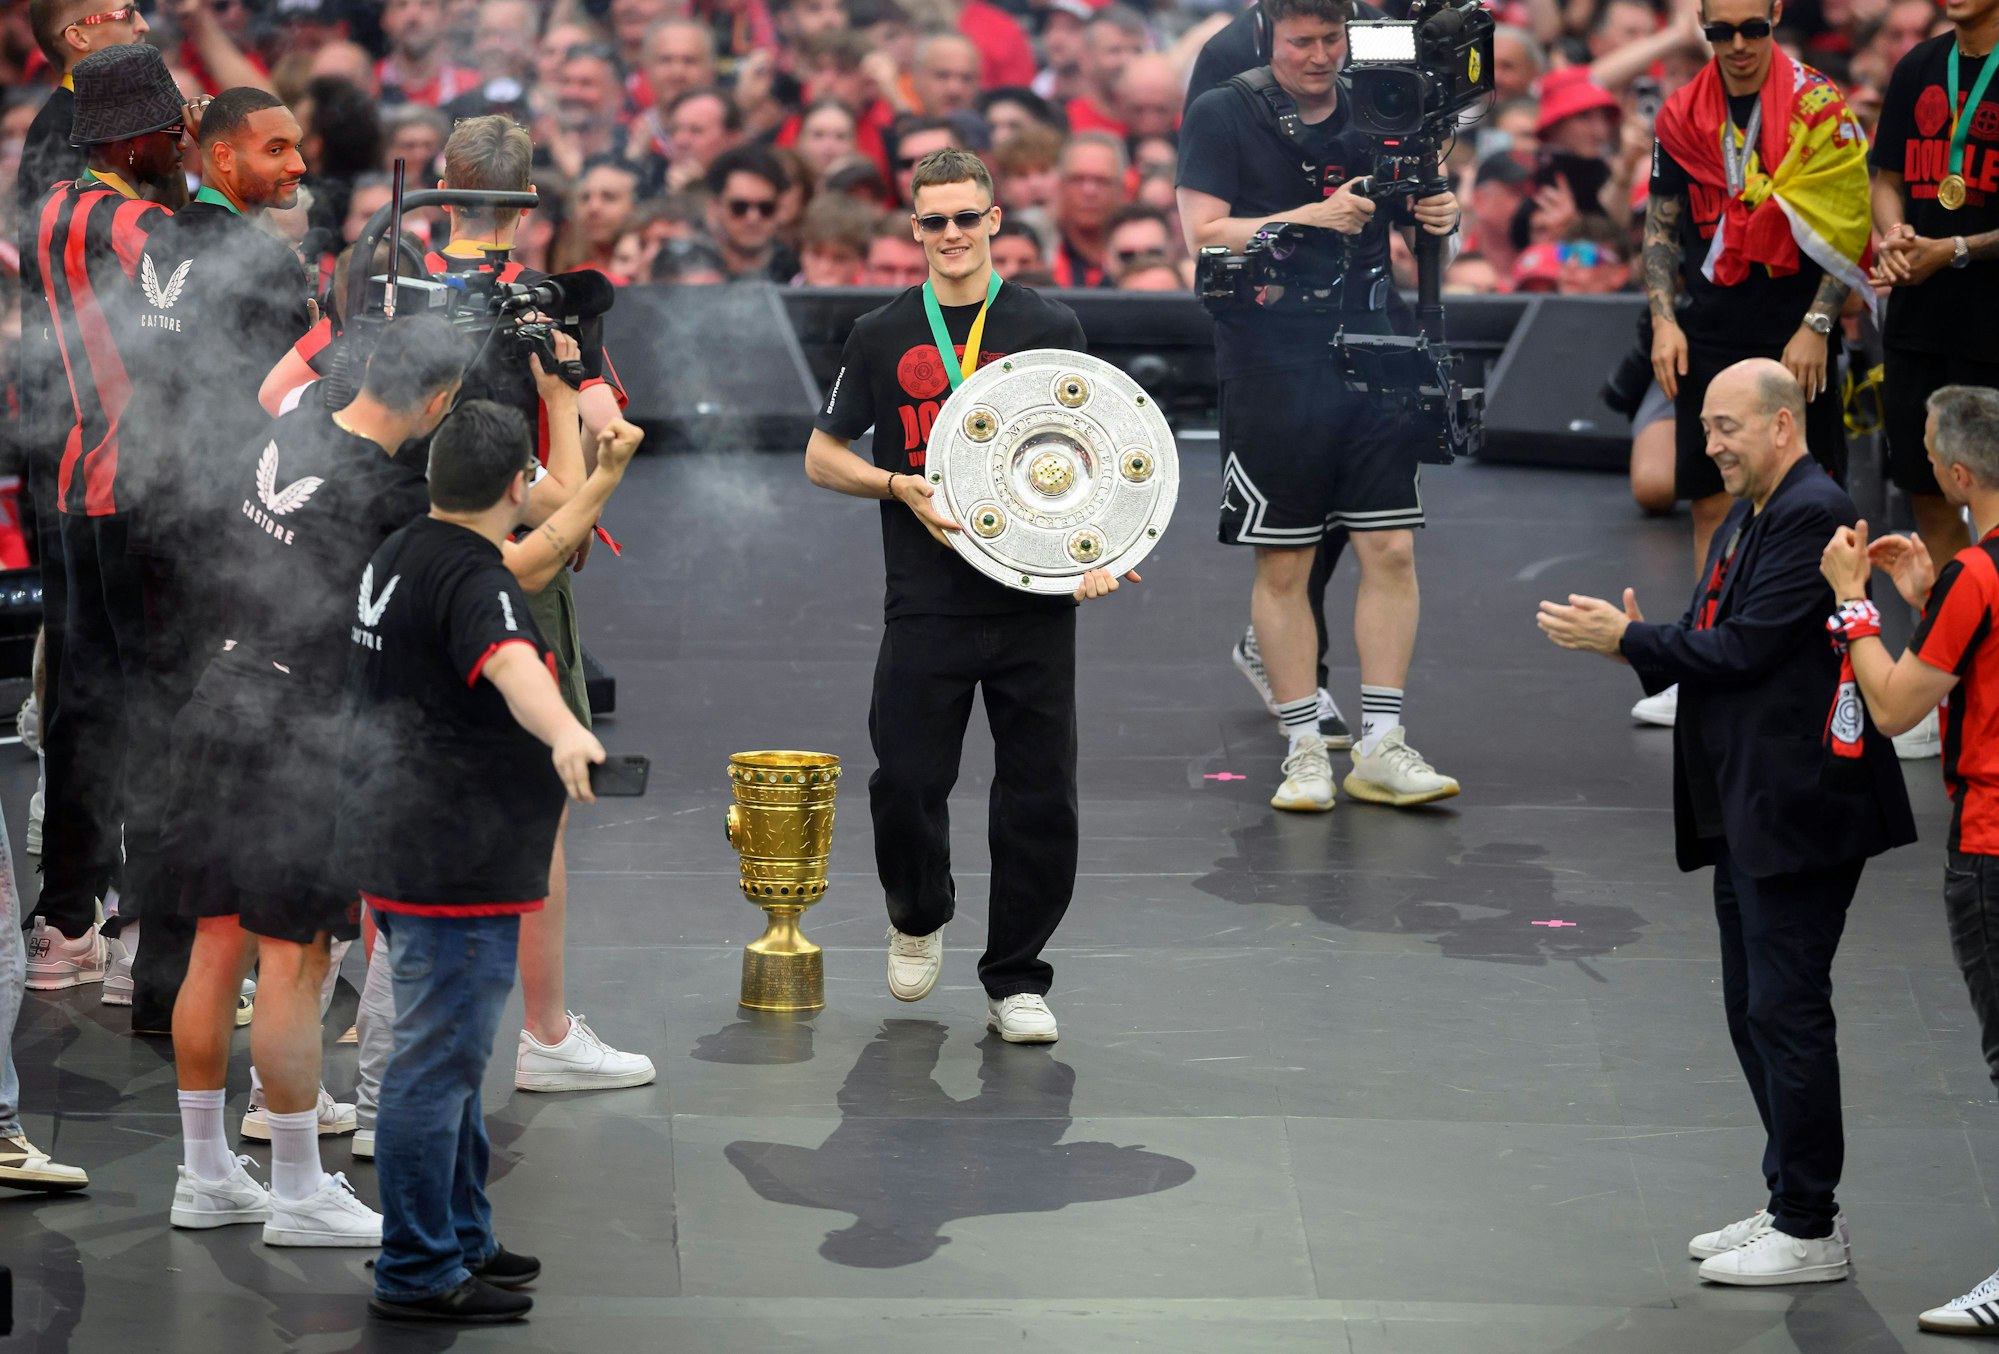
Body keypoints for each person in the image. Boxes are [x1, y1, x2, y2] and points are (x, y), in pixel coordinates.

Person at [1538, 358, 1915, 1286]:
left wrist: (1628, 641)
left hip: (1801, 807)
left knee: (1784, 1011)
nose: (1707, 444)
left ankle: (1808, 1224)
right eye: (1703, 427)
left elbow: (1743, 649)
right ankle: (1789, 1198)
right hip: (1753, 803)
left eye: (1724, 426)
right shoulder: (1757, 511)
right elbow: (1724, 630)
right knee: (1753, 1008)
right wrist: (1648, 638)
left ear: (1781, 425)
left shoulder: (1810, 513)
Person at [349, 113, 652, 1118]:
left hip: (394, 552)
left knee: (390, 767)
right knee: (535, 790)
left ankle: (369, 1019)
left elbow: (286, 395)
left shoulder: (389, 292)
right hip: (517, 560)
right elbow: (605, 436)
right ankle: (548, 1032)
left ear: (440, 187)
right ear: (528, 207)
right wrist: (568, 396)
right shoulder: (549, 309)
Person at [805, 146, 1131, 1044]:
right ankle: (917, 912)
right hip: (926, 599)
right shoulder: (880, 332)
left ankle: (1017, 978)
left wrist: (1096, 552)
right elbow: (821, 454)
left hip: (1032, 602)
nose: (950, 233)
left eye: (965, 217)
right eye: (932, 220)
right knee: (905, 782)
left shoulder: (1049, 321)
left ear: (995, 222)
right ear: (913, 229)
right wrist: (894, 486)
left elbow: (1094, 452)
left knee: (1039, 798)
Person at [164, 316, 474, 1246]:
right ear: (438, 403)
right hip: (298, 735)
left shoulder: (292, 420)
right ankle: (298, 1189)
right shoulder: (394, 497)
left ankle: (204, 1174)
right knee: (292, 961)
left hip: (221, 701)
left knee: (215, 951)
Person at [334, 400, 614, 1324]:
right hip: (452, 857)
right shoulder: (475, 581)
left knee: (449, 1060)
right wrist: (569, 730)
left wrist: (603, 479)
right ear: (516, 485)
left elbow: (499, 607)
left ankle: (462, 1236)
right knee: (435, 1065)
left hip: (406, 839)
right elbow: (512, 663)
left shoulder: (404, 551)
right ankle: (417, 1269)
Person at [1177, 0, 1461, 814]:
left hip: (1377, 346)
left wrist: (1439, 211)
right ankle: (1303, 744)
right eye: (1301, 41)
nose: (1318, 56)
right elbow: (1201, 230)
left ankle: (1380, 740)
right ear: (1270, 38)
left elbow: (1425, 212)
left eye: (1332, 39)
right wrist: (1303, 217)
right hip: (1269, 355)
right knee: (1284, 560)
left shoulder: (1385, 102)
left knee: (1390, 551)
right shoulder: (1223, 109)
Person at [112, 85, 311, 1038]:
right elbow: (297, 409)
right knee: (221, 756)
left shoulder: (155, 245)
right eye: (277, 149)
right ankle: (205, 971)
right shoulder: (260, 265)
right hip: (227, 538)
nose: (297, 165)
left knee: (154, 739)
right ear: (223, 159)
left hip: (145, 519)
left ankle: (153, 976)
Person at [1813, 385, 1999, 1334]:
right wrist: (1927, 599)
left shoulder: (1981, 572)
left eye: (1928, 454)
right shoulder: (1969, 580)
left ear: (1959, 475)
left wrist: (1855, 607)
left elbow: (1891, 709)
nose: (1924, 465)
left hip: (1992, 849)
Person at [1638, 0, 1873, 731]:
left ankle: (1838, 663)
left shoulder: (1817, 106)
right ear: (1702, 28)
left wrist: (1817, 322)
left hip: (1795, 312)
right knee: (1711, 493)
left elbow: (1847, 219)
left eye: (1751, 30)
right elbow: (1660, 221)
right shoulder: (1681, 113)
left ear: (1774, 18)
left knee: (1818, 496)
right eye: (1719, 31)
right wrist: (1662, 320)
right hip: (1711, 313)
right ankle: (1707, 657)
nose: (1736, 46)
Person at [21, 44, 188, 997]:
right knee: (163, 713)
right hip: (140, 492)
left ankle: (66, 922)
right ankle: (150, 954)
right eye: (170, 132)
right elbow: (200, 338)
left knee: (83, 707)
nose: (183, 144)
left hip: (75, 483)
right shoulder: (139, 223)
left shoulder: (52, 207)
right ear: (132, 142)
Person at [1867, 0, 1999, 760]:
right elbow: (1887, 177)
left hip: (1989, 321)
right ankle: (1945, 669)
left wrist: (1950, 251)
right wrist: (1893, 231)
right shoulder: (1919, 65)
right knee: (1925, 488)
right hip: (1918, 319)